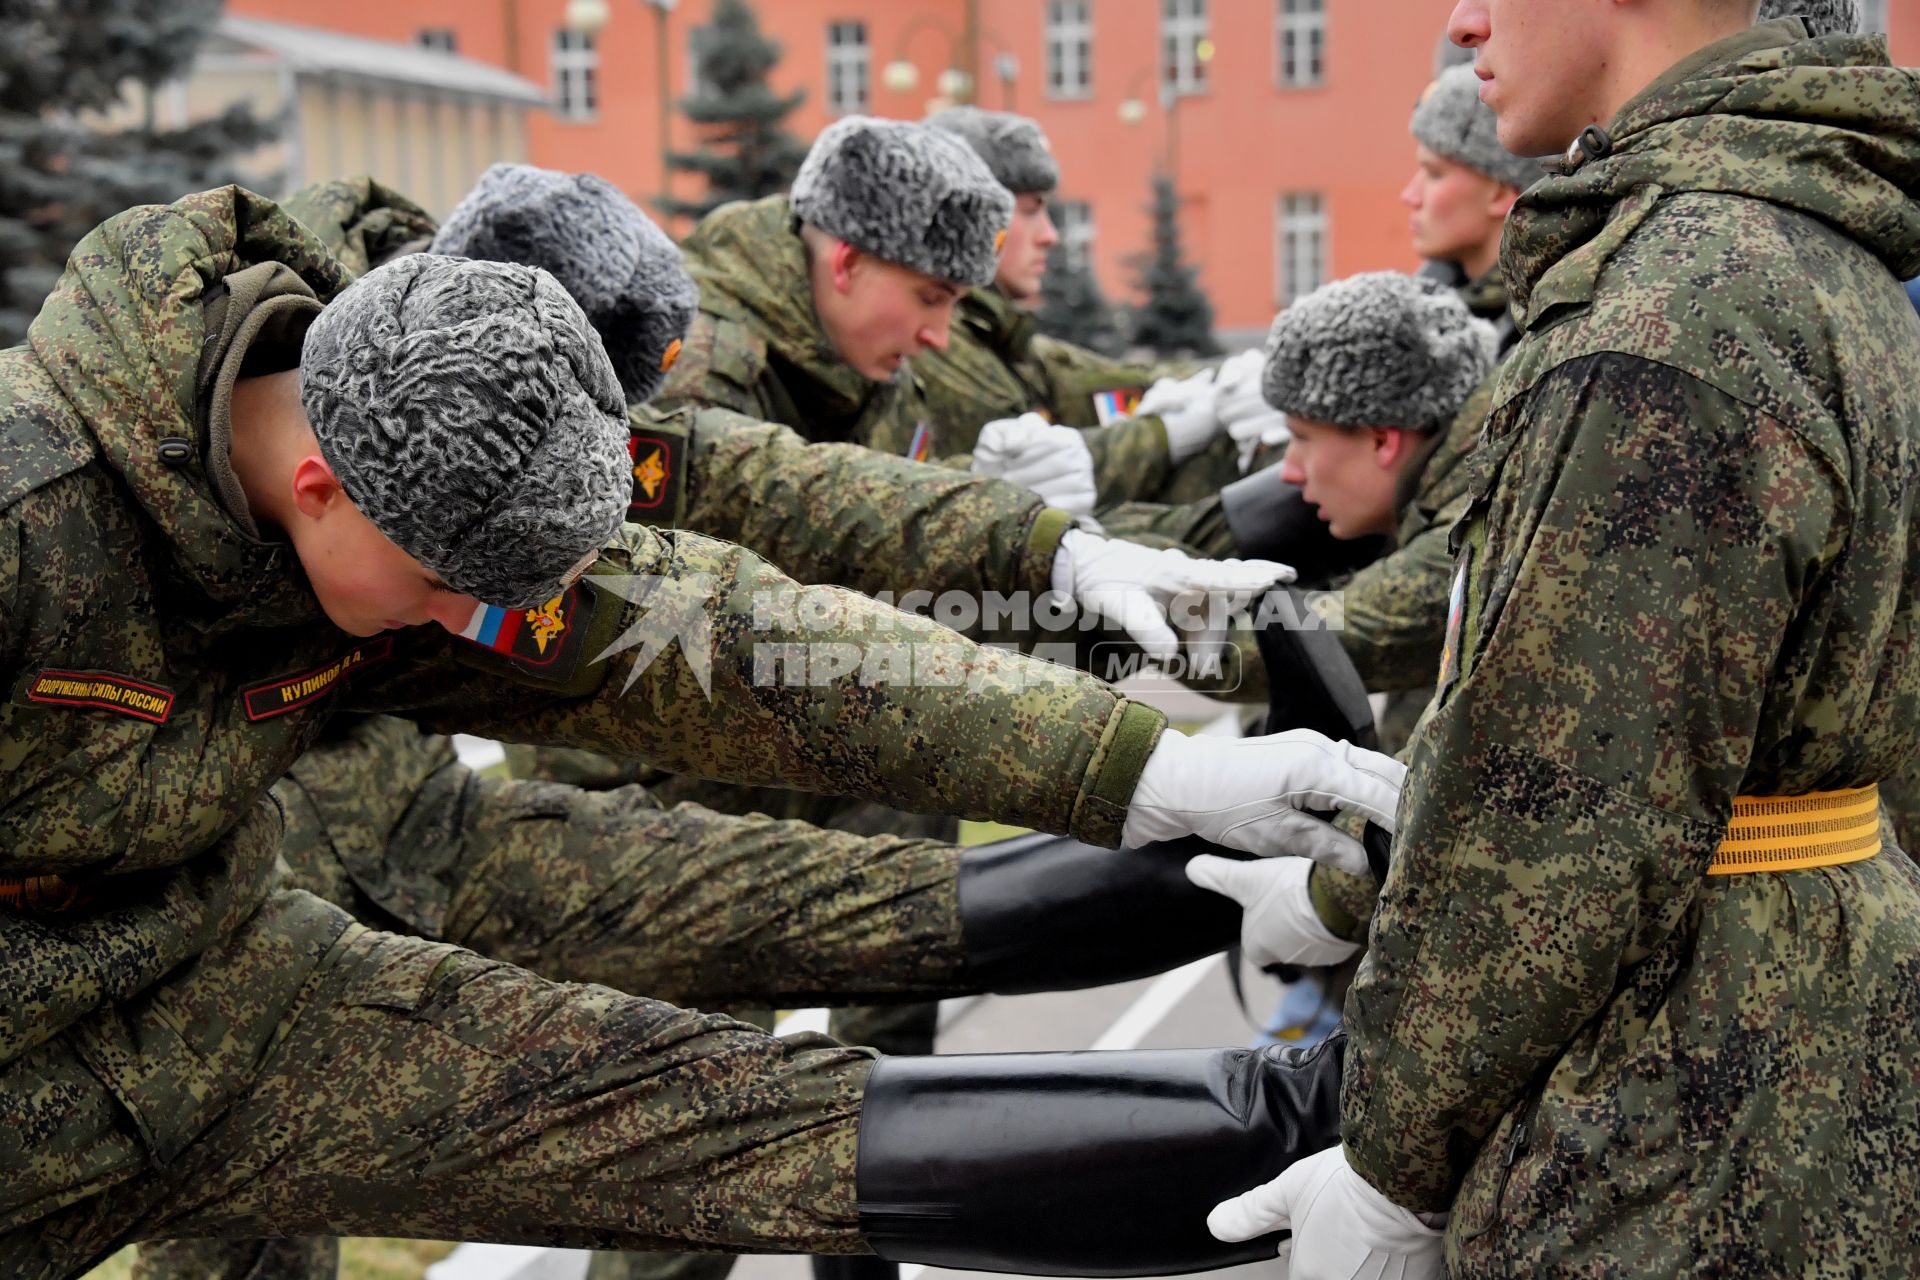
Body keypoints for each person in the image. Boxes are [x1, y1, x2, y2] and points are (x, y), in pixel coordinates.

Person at [0, 184, 1400, 1279]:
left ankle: (1324, 1119)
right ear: (317, 485)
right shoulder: (33, 525)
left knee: (705, 1116)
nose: (460, 625)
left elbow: (722, 637)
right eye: (445, 593)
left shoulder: (431, 450)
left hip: (216, 998)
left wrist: (1150, 767)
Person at [1206, 4, 1920, 1276]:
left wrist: (1392, 1166)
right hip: (1806, 1054)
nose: (1461, 19)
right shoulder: (1821, 263)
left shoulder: (1675, 313)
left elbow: (1557, 811)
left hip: (1667, 1117)